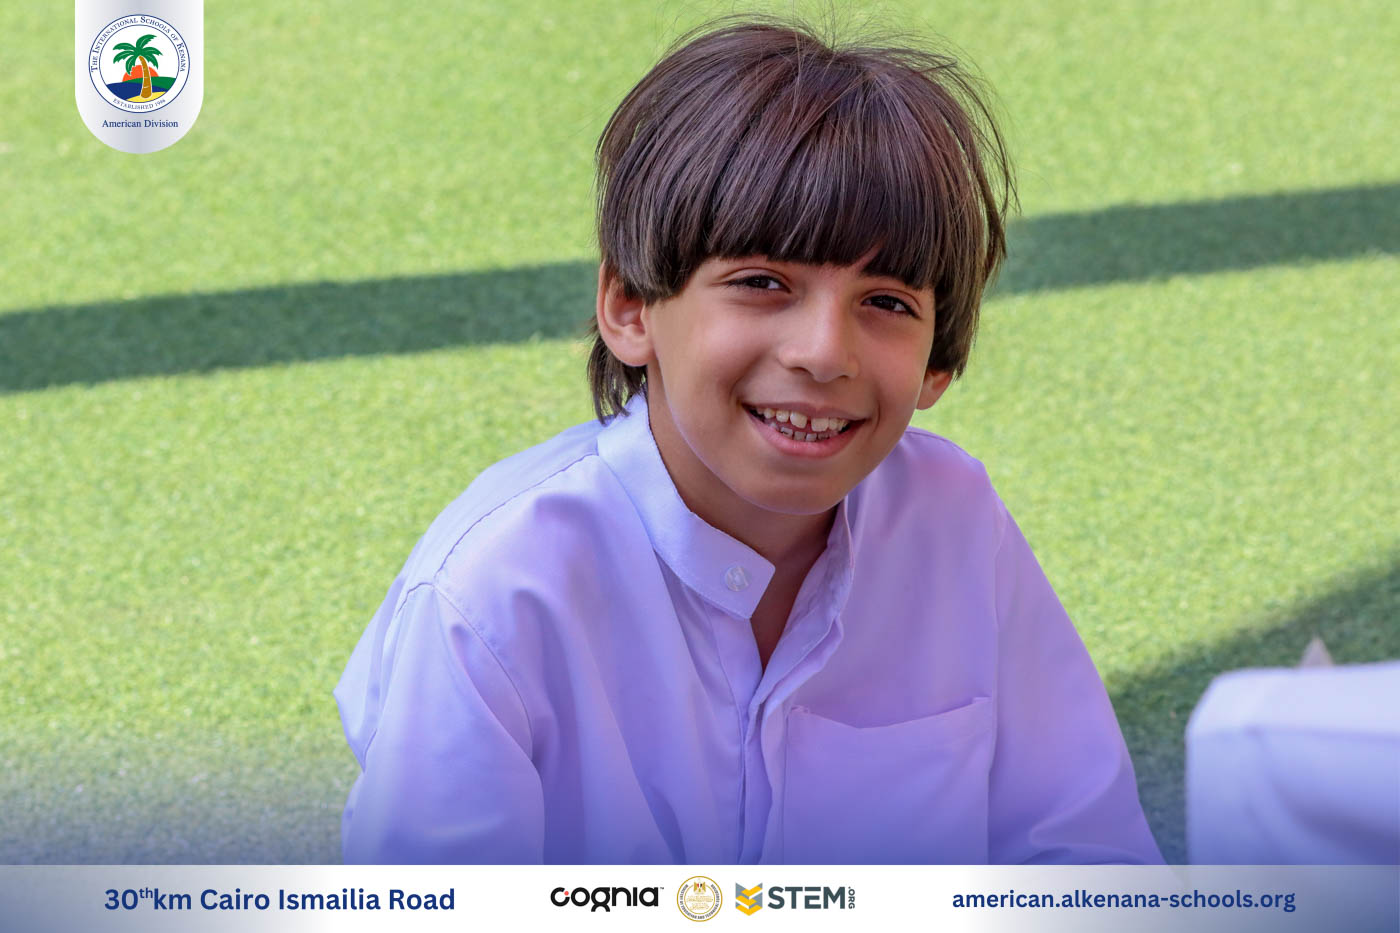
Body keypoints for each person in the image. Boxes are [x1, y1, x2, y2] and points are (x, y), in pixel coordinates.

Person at [334, 16, 1163, 865]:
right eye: (762, 282)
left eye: (886, 302)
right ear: (630, 308)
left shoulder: (954, 521)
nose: (824, 353)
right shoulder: (495, 594)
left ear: (936, 365)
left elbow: (1087, 858)